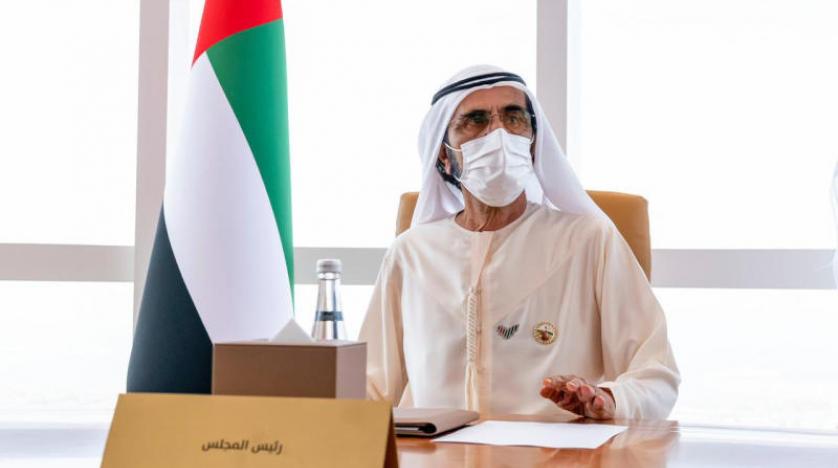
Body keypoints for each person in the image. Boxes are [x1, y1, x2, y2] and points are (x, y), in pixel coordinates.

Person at [358, 65, 680, 420]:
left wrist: (608, 398)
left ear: (533, 143)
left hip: (554, 449)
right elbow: (371, 388)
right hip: (435, 448)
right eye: (476, 120)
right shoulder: (412, 253)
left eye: (514, 118)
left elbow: (656, 374)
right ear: (444, 155)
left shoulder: (588, 240)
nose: (498, 133)